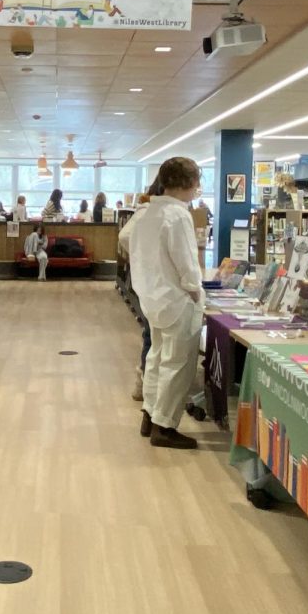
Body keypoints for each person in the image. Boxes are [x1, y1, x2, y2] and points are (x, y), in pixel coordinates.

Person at [128, 157, 203, 449]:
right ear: (188, 183)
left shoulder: (146, 213)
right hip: (177, 301)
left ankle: (149, 415)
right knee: (178, 364)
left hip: (152, 299)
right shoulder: (178, 215)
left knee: (156, 358)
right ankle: (164, 425)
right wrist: (195, 290)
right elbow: (186, 262)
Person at [119, 178, 163, 401]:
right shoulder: (150, 212)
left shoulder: (151, 211)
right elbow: (125, 237)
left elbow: (125, 237)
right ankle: (148, 386)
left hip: (150, 283)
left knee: (151, 335)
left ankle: (145, 384)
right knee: (152, 336)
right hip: (156, 285)